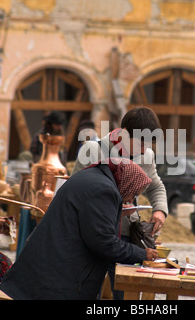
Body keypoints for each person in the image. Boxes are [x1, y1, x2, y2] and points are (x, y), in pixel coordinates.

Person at [0, 158, 158, 299]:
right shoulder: (104, 190)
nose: (131, 199)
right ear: (128, 183)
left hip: (47, 268)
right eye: (134, 194)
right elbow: (104, 242)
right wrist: (142, 253)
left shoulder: (92, 176)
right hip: (59, 279)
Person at [71, 106, 168, 299]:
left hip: (124, 236)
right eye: (140, 143)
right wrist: (112, 206)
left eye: (148, 144)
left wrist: (160, 211)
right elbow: (74, 191)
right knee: (86, 292)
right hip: (90, 235)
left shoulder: (146, 156)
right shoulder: (93, 149)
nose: (144, 149)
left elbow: (156, 186)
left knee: (125, 295)